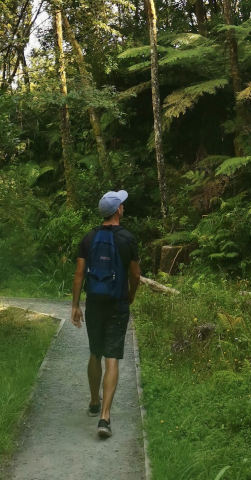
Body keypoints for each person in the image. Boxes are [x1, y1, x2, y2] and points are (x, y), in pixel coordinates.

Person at [71, 188, 141, 439]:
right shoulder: (127, 238)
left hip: (95, 303)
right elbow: (135, 275)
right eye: (122, 204)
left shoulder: (88, 238)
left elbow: (79, 275)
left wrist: (75, 305)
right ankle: (105, 416)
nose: (123, 207)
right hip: (118, 304)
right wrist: (130, 295)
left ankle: (93, 401)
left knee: (95, 351)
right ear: (118, 210)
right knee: (112, 357)